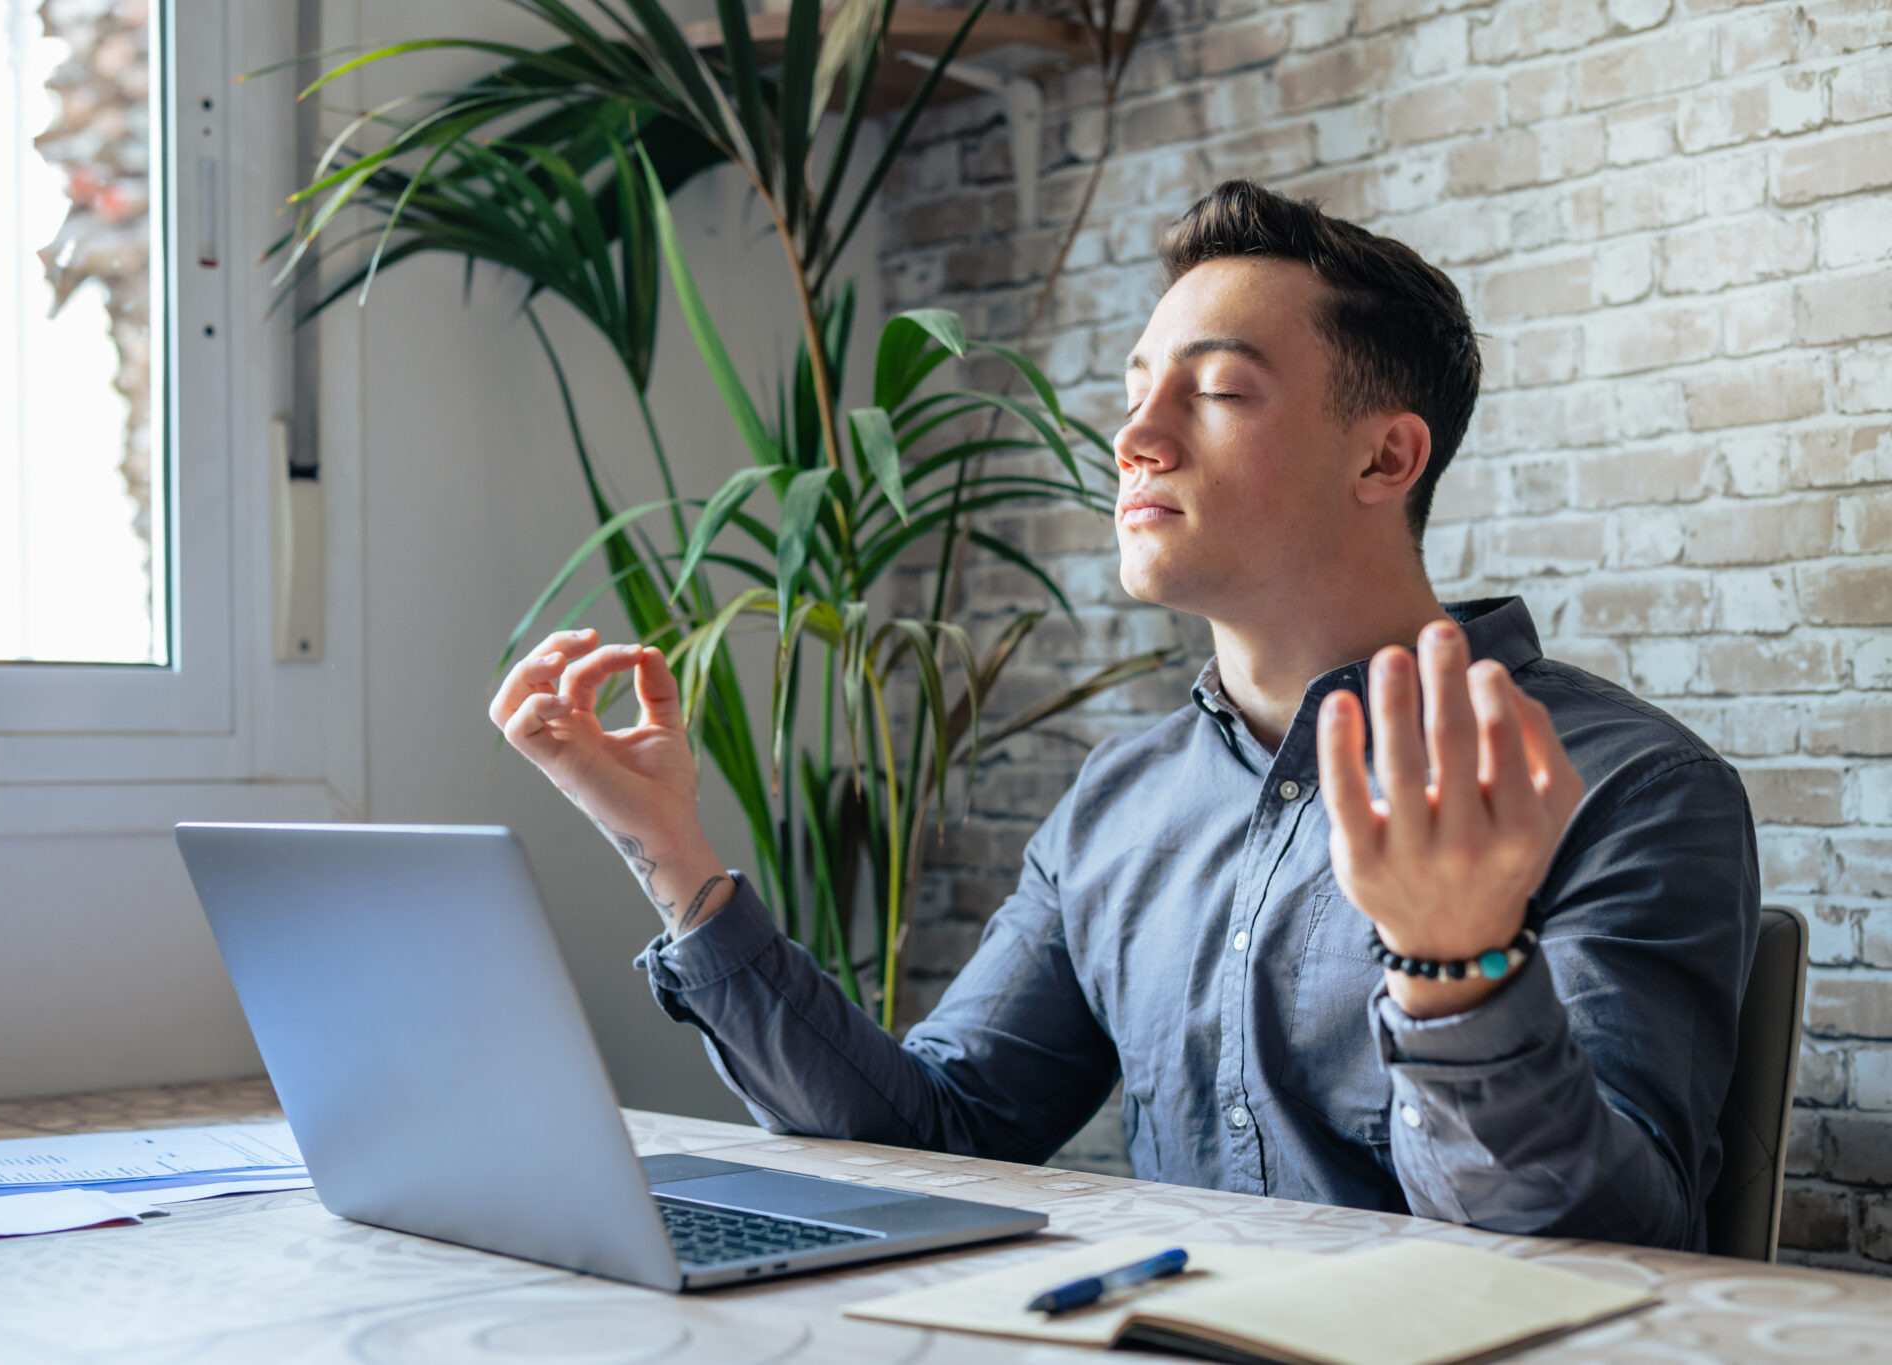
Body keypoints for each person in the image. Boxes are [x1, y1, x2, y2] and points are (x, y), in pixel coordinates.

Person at [489, 179, 1759, 1252]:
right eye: (1137, 387)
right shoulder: (1122, 800)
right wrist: (672, 854)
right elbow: (939, 1139)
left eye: (1211, 392)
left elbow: (1607, 1257)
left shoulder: (1622, 788)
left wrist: (1453, 974)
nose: (1131, 437)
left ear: (1384, 458)